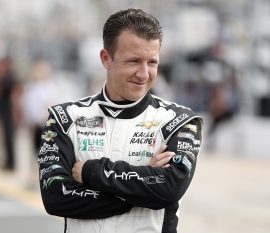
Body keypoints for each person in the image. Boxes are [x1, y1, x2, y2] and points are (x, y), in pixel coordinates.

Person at [38, 8, 203, 233]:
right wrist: (138, 190)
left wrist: (91, 172)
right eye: (133, 61)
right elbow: (55, 196)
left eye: (152, 62)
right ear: (106, 58)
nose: (144, 74)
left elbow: (170, 188)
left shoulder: (180, 121)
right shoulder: (65, 118)